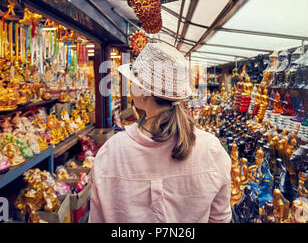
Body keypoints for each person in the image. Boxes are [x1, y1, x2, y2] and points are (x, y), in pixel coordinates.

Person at [89, 43, 232, 223]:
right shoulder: (211, 149)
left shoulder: (111, 152)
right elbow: (220, 218)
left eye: (134, 81)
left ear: (143, 92)